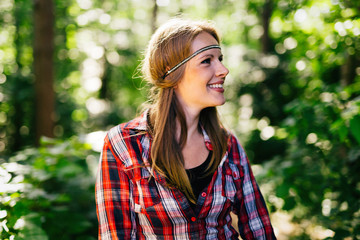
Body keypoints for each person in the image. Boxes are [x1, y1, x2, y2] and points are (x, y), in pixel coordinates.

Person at [96, 18, 276, 239]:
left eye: (220, 59)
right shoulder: (122, 144)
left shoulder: (228, 145)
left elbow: (259, 230)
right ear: (170, 71)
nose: (224, 70)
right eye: (207, 61)